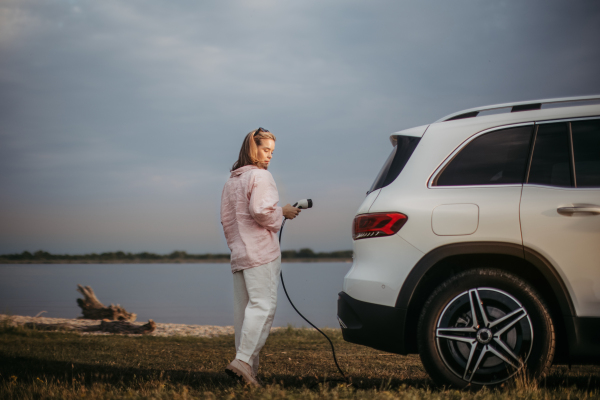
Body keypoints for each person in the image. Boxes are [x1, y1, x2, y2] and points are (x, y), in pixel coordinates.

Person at [220, 127, 301, 386]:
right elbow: (261, 210)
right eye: (265, 150)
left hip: (239, 254)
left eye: (272, 151)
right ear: (252, 148)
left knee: (244, 314)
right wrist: (283, 212)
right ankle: (243, 361)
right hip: (260, 253)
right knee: (263, 307)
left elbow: (227, 220)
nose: (269, 156)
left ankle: (247, 372)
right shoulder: (260, 177)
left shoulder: (231, 181)